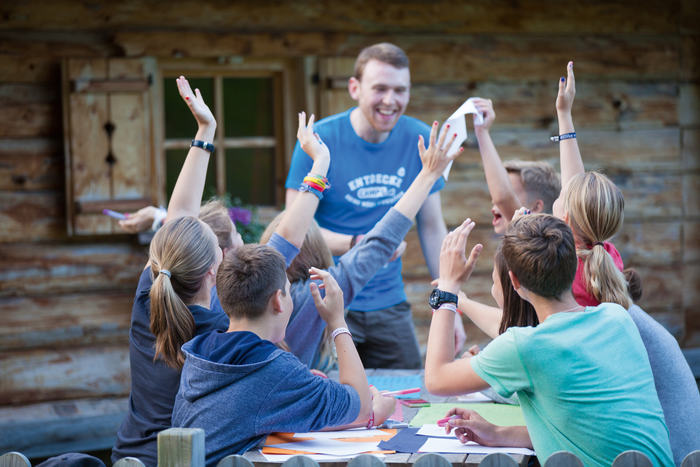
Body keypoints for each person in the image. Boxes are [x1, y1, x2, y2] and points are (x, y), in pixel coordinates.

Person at [424, 214, 673, 467]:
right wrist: (497, 433)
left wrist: (448, 287)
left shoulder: (525, 347)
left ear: (514, 281)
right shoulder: (617, 318)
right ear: (574, 267)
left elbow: (436, 378)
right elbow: (588, 428)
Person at [285, 42, 465, 368]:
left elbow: (431, 227)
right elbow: (294, 229)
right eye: (380, 88)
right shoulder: (319, 141)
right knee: (330, 393)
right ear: (355, 88)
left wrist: (449, 305)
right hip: (327, 299)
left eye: (400, 90)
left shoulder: (419, 139)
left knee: (410, 389)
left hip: (388, 302)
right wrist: (360, 244)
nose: (390, 100)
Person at [264, 120, 462, 370]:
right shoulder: (319, 294)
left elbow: (290, 232)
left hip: (388, 302)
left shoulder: (243, 293)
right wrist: (428, 174)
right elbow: (381, 241)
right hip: (335, 303)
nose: (390, 102)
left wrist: (320, 163)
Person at [172, 255, 396, 466]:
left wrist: (301, 390)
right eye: (288, 292)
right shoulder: (275, 370)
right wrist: (337, 321)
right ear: (278, 300)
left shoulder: (198, 353)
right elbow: (361, 407)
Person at [112, 76, 227, 466]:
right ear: (213, 270)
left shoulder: (150, 295)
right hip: (191, 460)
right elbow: (180, 217)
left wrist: (205, 132)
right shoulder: (222, 330)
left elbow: (179, 216)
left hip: (131, 457)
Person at [470, 97, 560, 234]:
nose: (495, 201)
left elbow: (502, 197)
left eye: (510, 191)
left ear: (536, 207)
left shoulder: (541, 242)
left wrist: (482, 132)